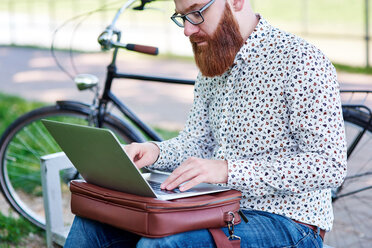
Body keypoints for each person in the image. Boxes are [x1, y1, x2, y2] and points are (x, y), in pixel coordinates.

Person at [64, 0, 347, 247]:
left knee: (165, 244)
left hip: (289, 223)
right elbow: (197, 142)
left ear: (235, 1)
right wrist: (155, 152)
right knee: (93, 225)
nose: (187, 29)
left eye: (196, 12)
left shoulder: (301, 60)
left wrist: (227, 170)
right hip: (216, 207)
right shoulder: (214, 61)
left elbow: (330, 165)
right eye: (181, 17)